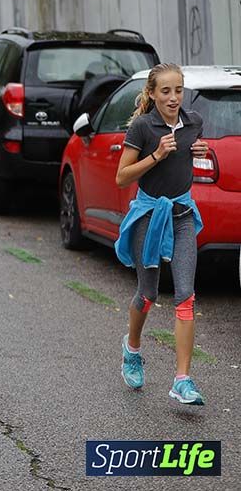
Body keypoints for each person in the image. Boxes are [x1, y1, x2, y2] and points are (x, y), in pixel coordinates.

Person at [114, 63, 208, 405]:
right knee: (148, 293)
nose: (173, 98)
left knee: (185, 295)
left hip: (182, 215)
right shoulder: (142, 126)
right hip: (149, 215)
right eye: (165, 91)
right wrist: (156, 155)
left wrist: (202, 151)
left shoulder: (193, 122)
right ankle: (132, 349)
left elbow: (194, 153)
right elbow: (122, 177)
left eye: (178, 90)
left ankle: (182, 379)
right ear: (152, 94)